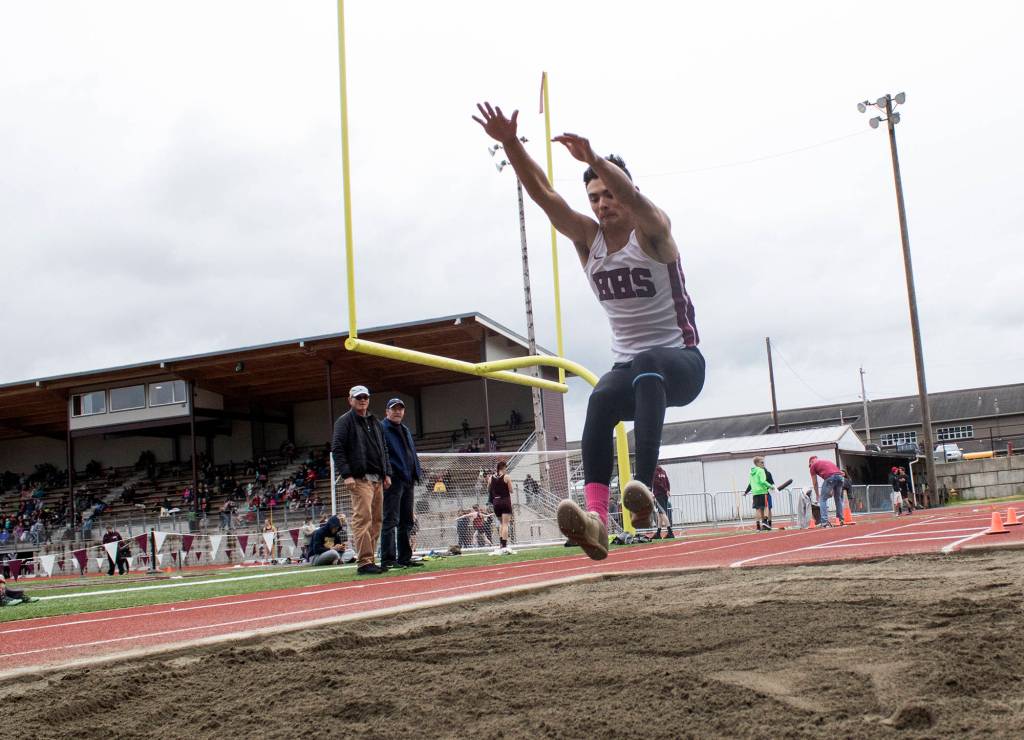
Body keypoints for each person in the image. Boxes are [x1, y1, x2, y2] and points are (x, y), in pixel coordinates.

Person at [474, 103, 704, 561]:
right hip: (631, 373)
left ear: (627, 191)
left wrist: (596, 160)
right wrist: (511, 144)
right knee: (600, 399)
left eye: (608, 194)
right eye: (594, 197)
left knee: (647, 362)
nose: (601, 204)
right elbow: (543, 194)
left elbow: (637, 203)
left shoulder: (654, 232)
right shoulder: (588, 239)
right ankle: (597, 521)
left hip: (681, 364)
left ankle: (642, 492)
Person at [331, 385, 392, 575]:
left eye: (365, 397)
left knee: (376, 520)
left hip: (377, 478)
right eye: (358, 398)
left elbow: (383, 449)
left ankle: (370, 559)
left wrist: (386, 473)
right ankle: (364, 561)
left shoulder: (375, 422)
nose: (362, 400)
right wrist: (347, 474)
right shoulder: (344, 421)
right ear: (350, 400)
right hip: (360, 478)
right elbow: (338, 449)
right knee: (363, 519)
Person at [380, 398, 425, 569]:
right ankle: (388, 559)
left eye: (400, 409)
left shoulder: (405, 429)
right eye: (394, 409)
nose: (397, 411)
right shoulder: (382, 429)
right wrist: (386, 473)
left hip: (408, 479)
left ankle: (405, 557)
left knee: (407, 520)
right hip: (393, 479)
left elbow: (410, 453)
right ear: (387, 411)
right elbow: (382, 454)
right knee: (390, 519)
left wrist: (416, 473)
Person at [487, 461, 515, 555]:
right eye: (505, 467)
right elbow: (511, 490)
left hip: (496, 502)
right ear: (503, 467)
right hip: (505, 501)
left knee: (501, 523)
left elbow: (488, 489)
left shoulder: (491, 477)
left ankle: (500, 544)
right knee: (505, 524)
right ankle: (504, 545)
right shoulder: (506, 476)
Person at [809, 456, 845, 527]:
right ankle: (840, 520)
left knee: (822, 499)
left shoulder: (813, 465)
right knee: (838, 498)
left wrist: (817, 495)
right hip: (840, 478)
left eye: (810, 465)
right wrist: (831, 490)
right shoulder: (826, 461)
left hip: (830, 478)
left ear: (811, 462)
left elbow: (815, 483)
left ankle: (824, 522)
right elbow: (839, 474)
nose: (810, 467)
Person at [744, 456, 776, 531]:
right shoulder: (761, 470)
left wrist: (746, 492)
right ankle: (765, 522)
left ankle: (758, 526)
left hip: (755, 493)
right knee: (766, 507)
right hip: (762, 491)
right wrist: (770, 486)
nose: (763, 464)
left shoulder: (751, 472)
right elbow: (762, 481)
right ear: (757, 463)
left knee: (757, 509)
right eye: (762, 462)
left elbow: (751, 483)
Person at [651, 465, 674, 539]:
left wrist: (665, 490)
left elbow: (657, 483)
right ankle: (658, 533)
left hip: (659, 495)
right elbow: (667, 482)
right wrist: (668, 490)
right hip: (664, 495)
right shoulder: (663, 472)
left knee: (662, 513)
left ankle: (670, 532)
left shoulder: (654, 473)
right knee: (659, 515)